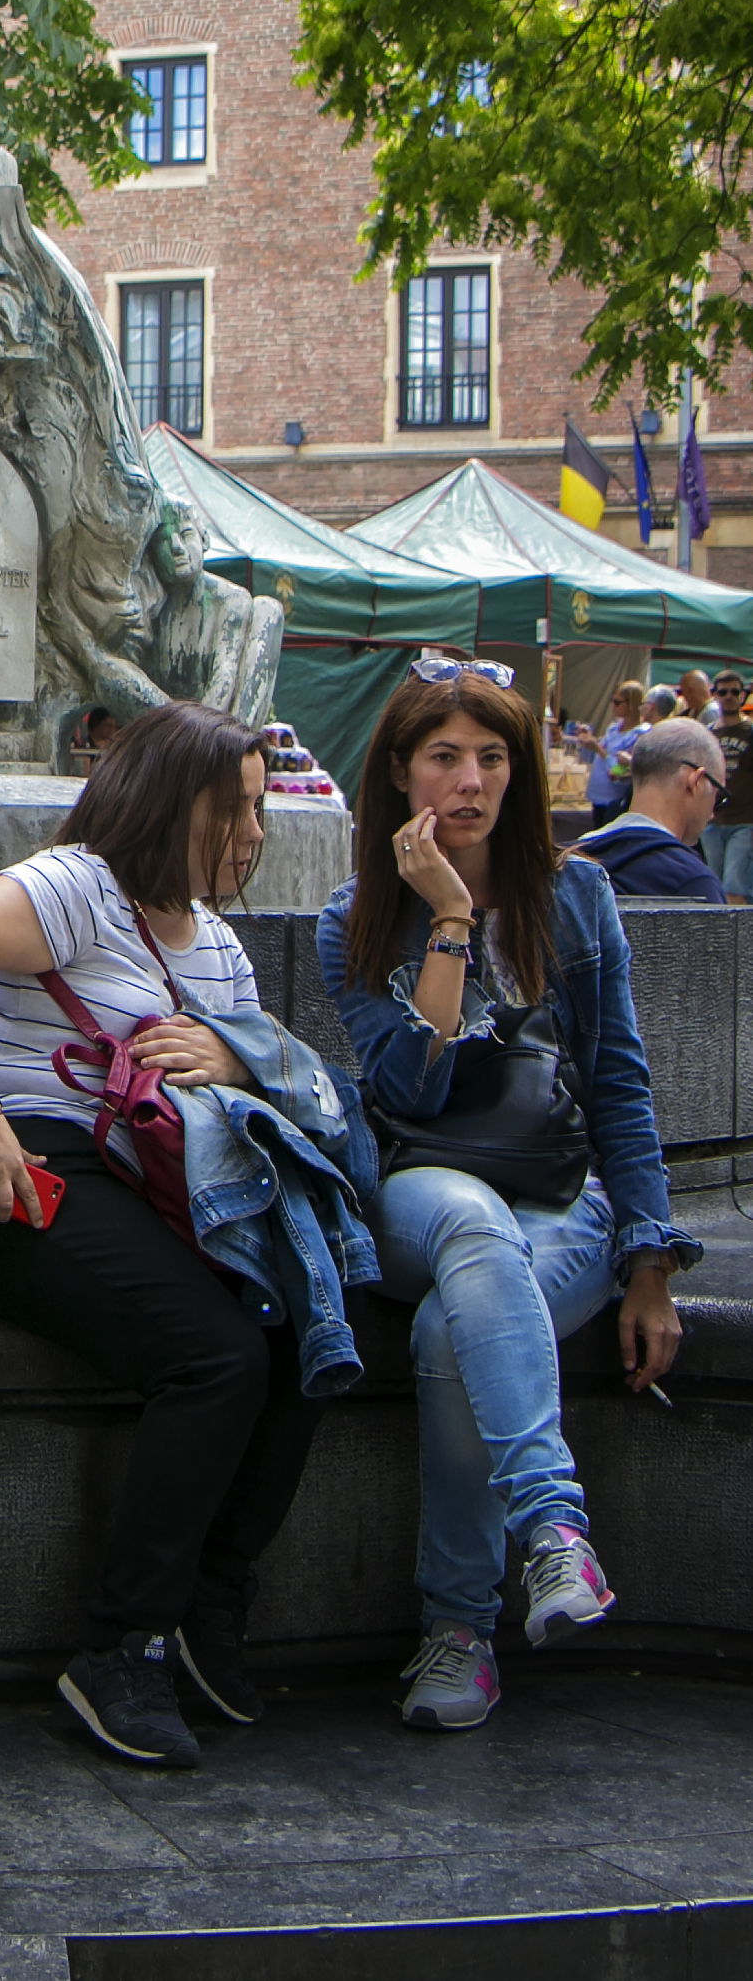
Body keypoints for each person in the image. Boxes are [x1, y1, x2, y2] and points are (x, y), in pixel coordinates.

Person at [0, 702, 328, 1770]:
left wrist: (235, 1060)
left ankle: (208, 1597)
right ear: (166, 800)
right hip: (3, 1166)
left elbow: (256, 1089)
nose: (252, 832)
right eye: (232, 807)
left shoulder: (218, 946)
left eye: (260, 808)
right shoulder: (81, 885)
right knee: (213, 1354)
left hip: (148, 1181)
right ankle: (121, 1646)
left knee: (305, 1331)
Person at [317, 660, 694, 1733]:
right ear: (399, 772)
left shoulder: (574, 895)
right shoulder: (355, 916)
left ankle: (459, 1630)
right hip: (420, 1193)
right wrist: (447, 915)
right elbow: (409, 1087)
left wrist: (650, 1262)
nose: (470, 781)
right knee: (467, 1225)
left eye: (491, 758)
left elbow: (618, 1081)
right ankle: (551, 1522)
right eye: (443, 756)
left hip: (560, 1198)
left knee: (452, 1327)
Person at [570, 719, 728, 902]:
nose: (712, 814)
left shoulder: (568, 862)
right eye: (717, 795)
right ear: (695, 782)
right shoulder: (695, 886)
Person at [702, 672, 752, 906]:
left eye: (735, 692)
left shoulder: (750, 731)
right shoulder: (707, 734)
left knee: (734, 888)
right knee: (715, 889)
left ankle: (740, 932)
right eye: (723, 692)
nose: (729, 697)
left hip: (745, 821)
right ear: (714, 695)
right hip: (712, 821)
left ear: (743, 695)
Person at [581, 681, 645, 827]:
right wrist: (587, 742)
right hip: (597, 796)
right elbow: (594, 759)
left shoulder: (638, 735)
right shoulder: (613, 729)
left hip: (614, 800)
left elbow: (618, 772)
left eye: (617, 702)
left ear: (632, 704)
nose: (612, 706)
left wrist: (598, 749)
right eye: (612, 701)